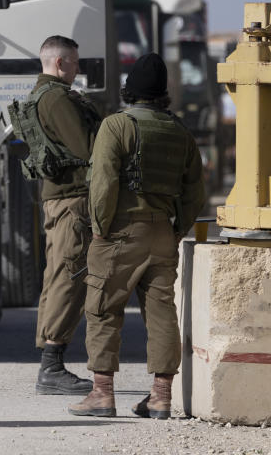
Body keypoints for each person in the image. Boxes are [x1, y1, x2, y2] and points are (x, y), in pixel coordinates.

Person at [69, 53, 206, 418]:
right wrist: (176, 229)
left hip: (119, 232)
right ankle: (161, 396)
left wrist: (101, 229)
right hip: (163, 232)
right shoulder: (181, 133)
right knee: (162, 312)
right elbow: (195, 193)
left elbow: (103, 183)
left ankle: (101, 394)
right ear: (163, 94)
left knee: (102, 309)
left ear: (130, 91)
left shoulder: (116, 126)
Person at [27, 36, 103, 395]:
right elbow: (87, 148)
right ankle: (51, 367)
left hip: (63, 199)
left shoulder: (46, 95)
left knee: (58, 273)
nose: (78, 69)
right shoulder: (57, 98)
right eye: (74, 62)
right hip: (72, 200)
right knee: (68, 277)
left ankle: (50, 361)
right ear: (59, 64)